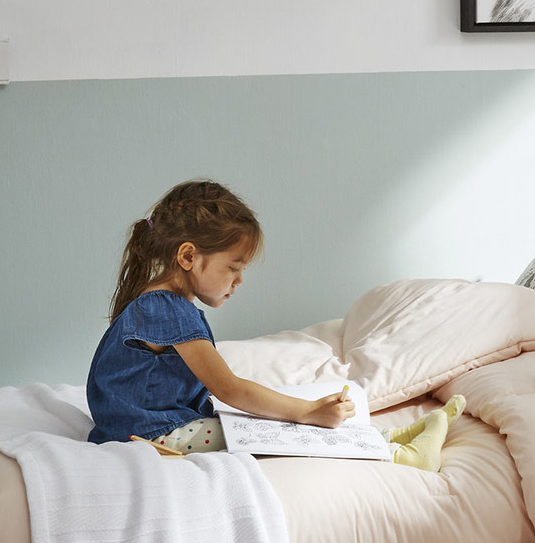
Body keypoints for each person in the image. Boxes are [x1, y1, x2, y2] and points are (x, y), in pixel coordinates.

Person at [87, 180, 351, 452]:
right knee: (266, 433)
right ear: (188, 256)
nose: (239, 281)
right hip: (152, 432)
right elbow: (231, 389)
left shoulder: (154, 301)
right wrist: (307, 411)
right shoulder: (168, 308)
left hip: (131, 429)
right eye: (233, 268)